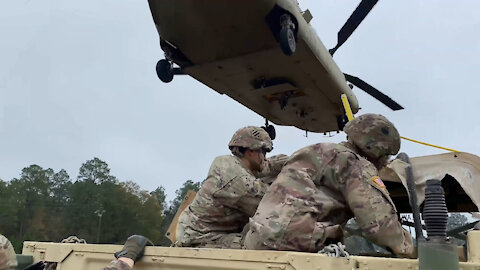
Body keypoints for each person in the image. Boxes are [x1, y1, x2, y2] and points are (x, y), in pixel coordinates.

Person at [244, 114, 414, 257]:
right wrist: (412, 251)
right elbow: (379, 224)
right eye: (386, 157)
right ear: (377, 151)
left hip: (256, 242)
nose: (386, 163)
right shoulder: (355, 163)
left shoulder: (316, 151)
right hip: (294, 245)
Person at [175, 126, 288, 248]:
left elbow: (269, 166)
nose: (265, 157)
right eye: (263, 151)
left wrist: (300, 159)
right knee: (261, 243)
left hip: (215, 233)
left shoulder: (243, 164)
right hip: (202, 238)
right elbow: (270, 204)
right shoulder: (233, 177)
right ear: (250, 151)